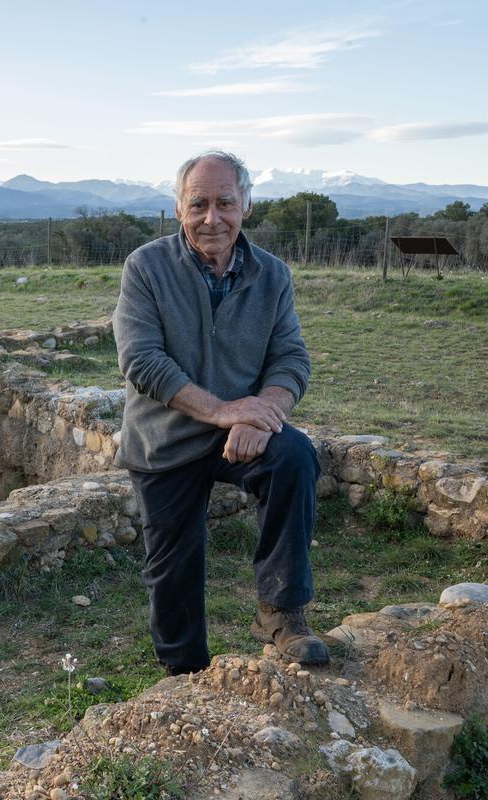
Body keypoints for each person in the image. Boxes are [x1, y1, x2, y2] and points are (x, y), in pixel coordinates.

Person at [112, 150, 327, 675]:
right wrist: (224, 411)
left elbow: (291, 357)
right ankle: (185, 676)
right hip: (163, 439)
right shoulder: (146, 267)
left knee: (294, 456)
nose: (213, 218)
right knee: (173, 567)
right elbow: (141, 360)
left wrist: (262, 414)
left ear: (246, 205)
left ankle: (282, 612)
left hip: (239, 434)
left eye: (225, 202)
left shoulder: (272, 274)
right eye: (198, 204)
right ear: (179, 209)